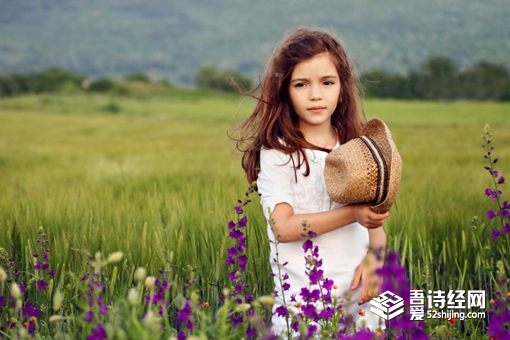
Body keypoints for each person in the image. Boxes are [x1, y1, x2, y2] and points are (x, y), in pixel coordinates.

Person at [236, 28, 388, 335]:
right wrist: (351, 214)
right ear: (285, 91)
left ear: (342, 88)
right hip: (303, 309)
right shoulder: (279, 153)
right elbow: (283, 227)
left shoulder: (356, 147)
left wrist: (377, 260)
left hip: (360, 302)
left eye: (327, 82)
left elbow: (375, 221)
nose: (315, 95)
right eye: (301, 84)